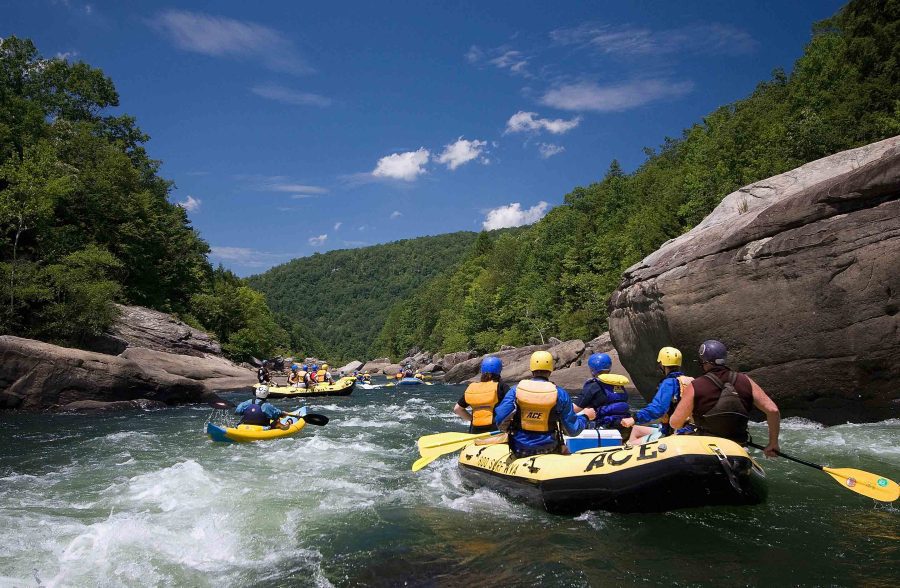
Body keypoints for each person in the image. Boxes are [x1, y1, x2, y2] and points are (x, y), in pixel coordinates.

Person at [669, 340, 781, 457]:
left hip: (706, 447)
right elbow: (773, 411)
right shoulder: (746, 380)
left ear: (704, 362)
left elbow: (675, 423)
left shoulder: (696, 385)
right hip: (738, 448)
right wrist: (773, 443)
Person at [494, 351, 596, 457]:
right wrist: (585, 417)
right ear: (550, 370)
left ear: (532, 369)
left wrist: (510, 429)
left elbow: (500, 419)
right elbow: (573, 430)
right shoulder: (560, 394)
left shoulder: (515, 390)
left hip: (520, 449)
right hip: (549, 449)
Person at [621, 347, 694, 443]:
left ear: (662, 364)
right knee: (636, 429)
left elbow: (658, 408)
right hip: (690, 428)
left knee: (631, 445)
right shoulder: (689, 380)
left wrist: (634, 418)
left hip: (675, 433)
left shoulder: (669, 383)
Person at [572, 353, 631, 441]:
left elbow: (575, 409)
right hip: (624, 426)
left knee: (581, 414)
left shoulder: (593, 385)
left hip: (604, 428)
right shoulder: (618, 384)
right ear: (609, 368)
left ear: (592, 370)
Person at [453, 356, 510, 433]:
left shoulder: (472, 387)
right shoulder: (501, 386)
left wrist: (472, 419)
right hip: (495, 432)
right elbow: (513, 405)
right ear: (499, 371)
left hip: (475, 431)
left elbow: (457, 409)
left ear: (482, 371)